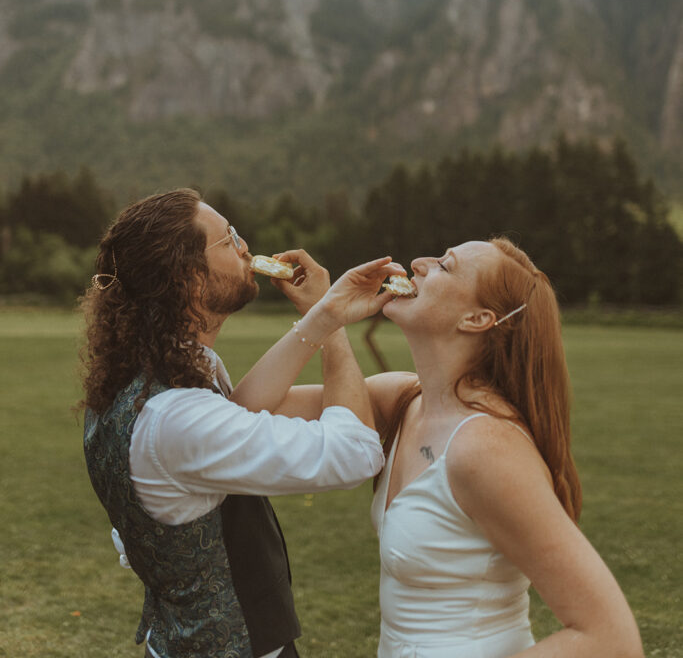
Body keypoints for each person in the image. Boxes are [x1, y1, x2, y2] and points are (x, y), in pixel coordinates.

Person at [274, 237, 645, 658]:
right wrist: (323, 317)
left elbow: (612, 638)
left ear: (477, 318)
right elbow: (246, 417)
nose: (418, 263)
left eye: (445, 266)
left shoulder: (485, 449)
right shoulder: (400, 400)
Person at [80, 187, 402, 658]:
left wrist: (324, 312)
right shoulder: (175, 418)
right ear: (189, 279)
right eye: (229, 238)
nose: (247, 247)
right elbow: (353, 453)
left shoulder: (152, 376)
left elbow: (239, 411)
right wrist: (334, 331)